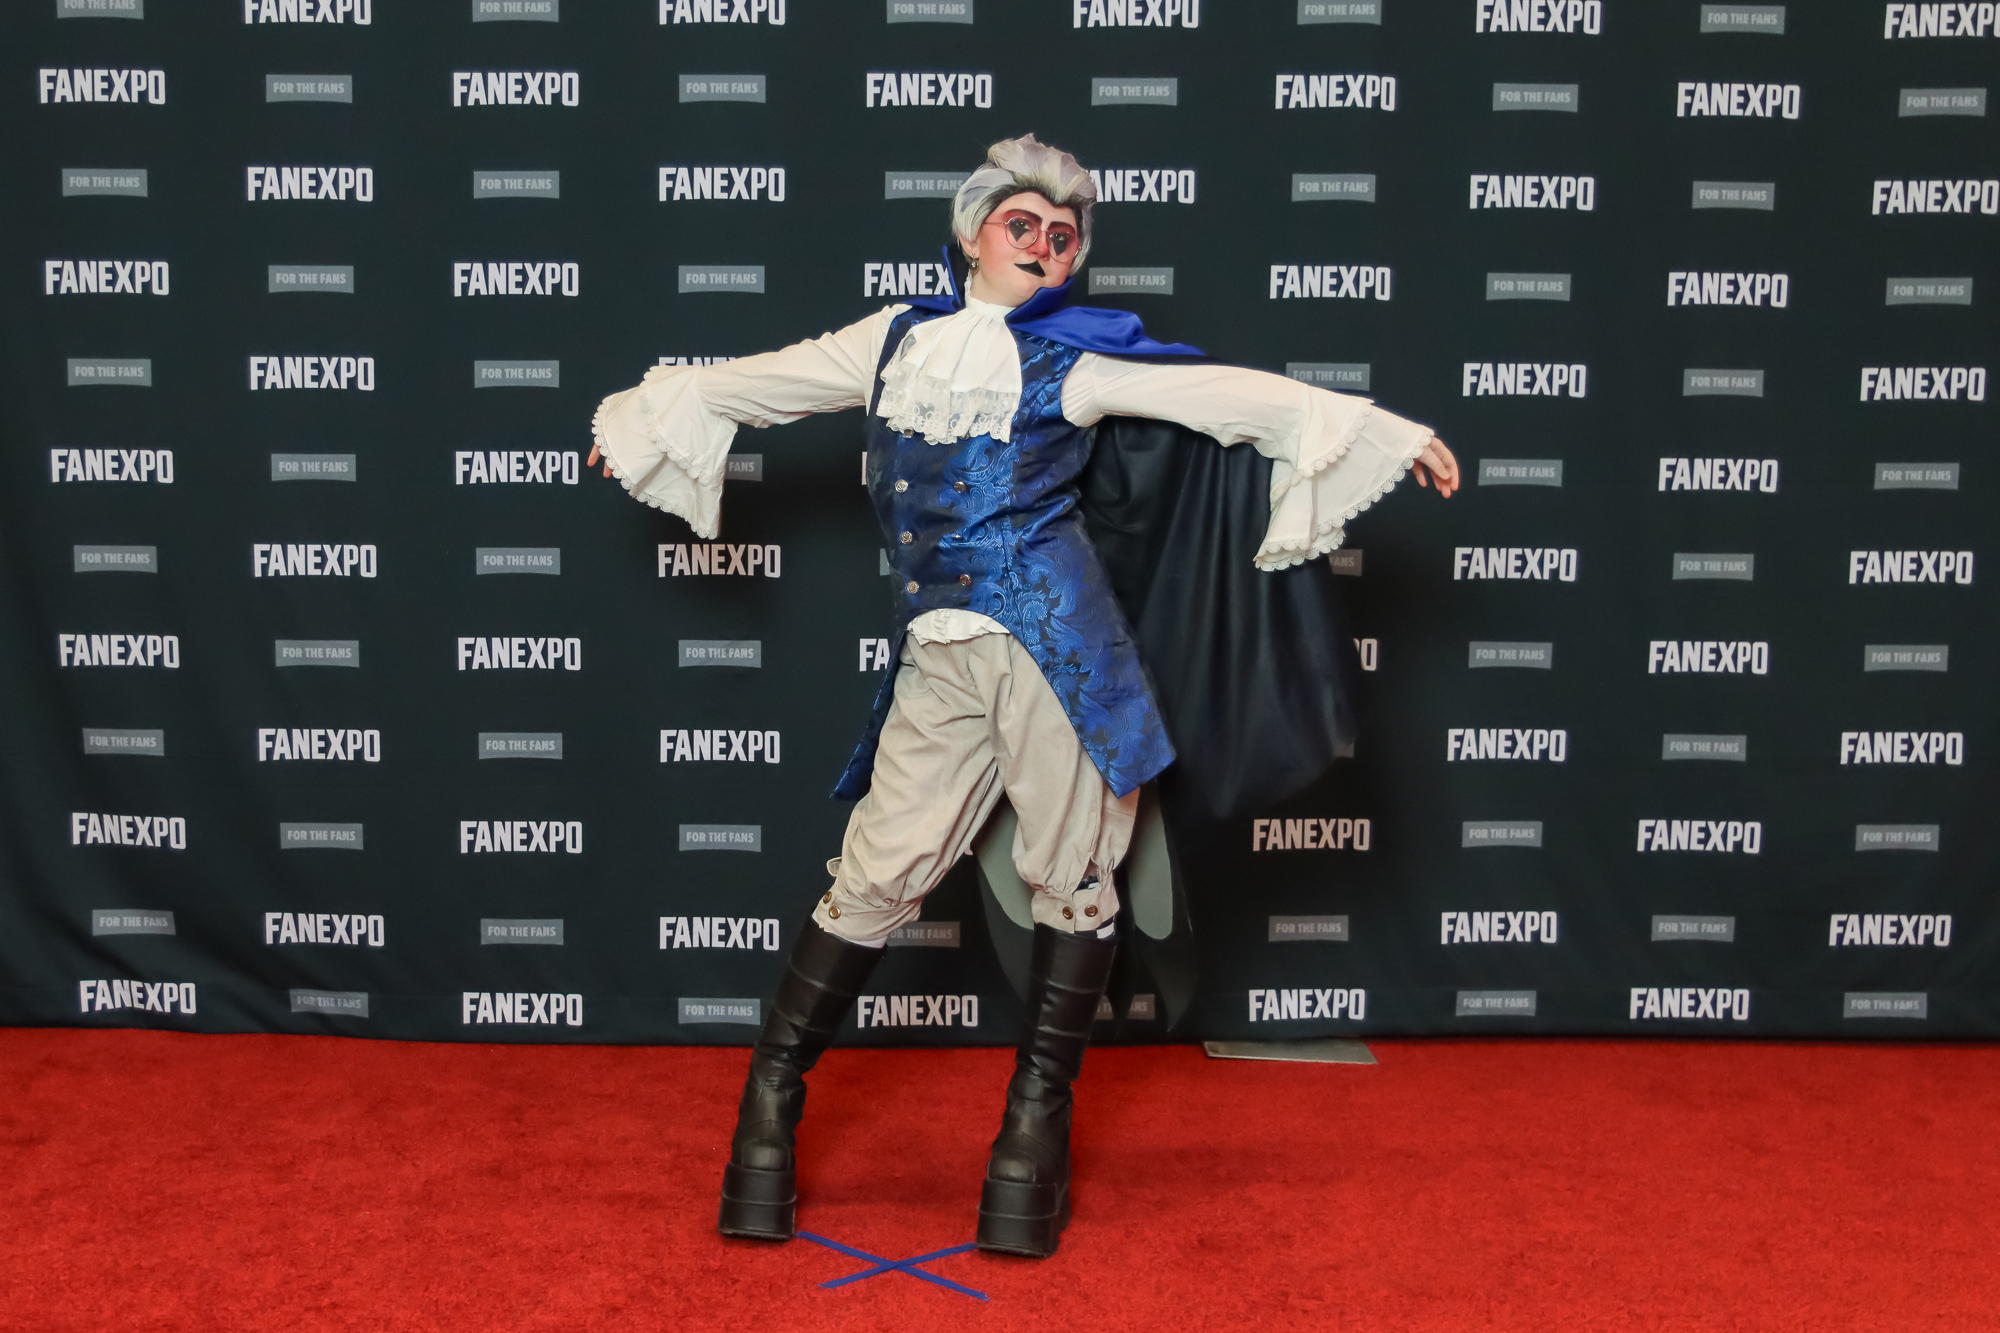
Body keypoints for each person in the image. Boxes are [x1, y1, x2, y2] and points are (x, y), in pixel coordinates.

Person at [587, 134, 1458, 1258]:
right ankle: (768, 1110)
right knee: (874, 871)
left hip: (1061, 661)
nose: (1043, 248)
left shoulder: (1079, 360)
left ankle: (1029, 1134)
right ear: (968, 235)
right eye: (1020, 228)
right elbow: (769, 377)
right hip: (936, 658)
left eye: (1062, 237)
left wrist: (1378, 431)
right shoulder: (891, 340)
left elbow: (1222, 397)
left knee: (1071, 875)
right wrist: (653, 417)